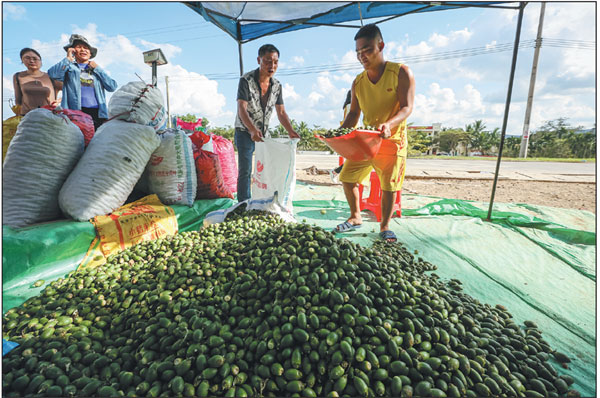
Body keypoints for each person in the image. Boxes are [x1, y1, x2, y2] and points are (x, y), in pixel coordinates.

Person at [334, 24, 415, 243]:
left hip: (392, 140)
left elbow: (407, 107)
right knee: (347, 177)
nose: (362, 56)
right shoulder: (358, 82)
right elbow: (353, 114)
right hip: (368, 141)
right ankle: (355, 217)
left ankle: (385, 226)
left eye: (367, 49)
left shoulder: (400, 72)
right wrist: (337, 134)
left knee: (389, 186)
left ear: (381, 46)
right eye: (358, 52)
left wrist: (389, 124)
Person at [234, 44, 300, 202]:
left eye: (275, 62)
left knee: (266, 168)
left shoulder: (277, 86)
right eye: (268, 61)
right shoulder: (246, 80)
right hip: (244, 132)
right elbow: (241, 109)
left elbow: (281, 112)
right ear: (259, 60)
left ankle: (264, 200)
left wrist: (291, 130)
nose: (272, 66)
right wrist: (251, 129)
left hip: (263, 135)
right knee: (246, 169)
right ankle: (243, 204)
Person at [48, 34, 117, 130]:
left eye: (86, 48)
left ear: (90, 53)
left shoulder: (96, 70)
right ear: (73, 51)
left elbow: (112, 86)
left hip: (97, 113)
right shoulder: (69, 68)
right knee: (77, 142)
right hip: (75, 113)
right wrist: (68, 58)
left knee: (96, 142)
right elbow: (53, 74)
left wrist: (97, 69)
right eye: (79, 47)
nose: (83, 50)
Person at [13, 48, 62, 116]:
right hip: (26, 117)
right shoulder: (18, 76)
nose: (31, 61)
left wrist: (59, 101)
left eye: (35, 58)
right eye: (27, 58)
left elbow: (71, 89)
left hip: (48, 116)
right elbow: (18, 100)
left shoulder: (50, 77)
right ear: (22, 60)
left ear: (40, 61)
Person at [330, 89, 353, 183]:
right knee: (353, 159)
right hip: (351, 134)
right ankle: (336, 172)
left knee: (353, 159)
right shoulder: (351, 106)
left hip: (350, 134)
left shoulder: (348, 106)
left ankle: (337, 172)